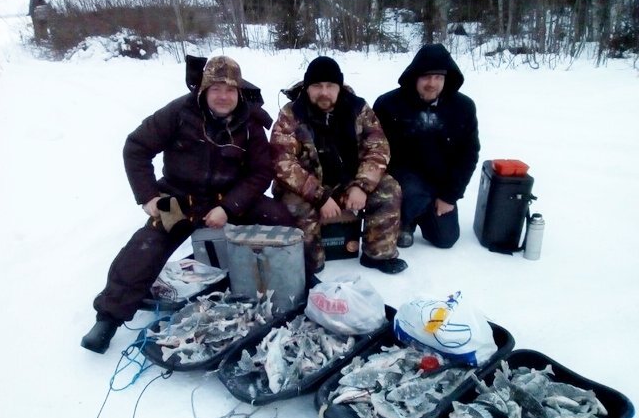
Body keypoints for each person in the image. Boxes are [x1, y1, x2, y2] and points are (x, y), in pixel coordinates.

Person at [81, 55, 295, 354]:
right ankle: (108, 318)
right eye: (216, 88)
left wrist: (229, 207)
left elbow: (260, 172)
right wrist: (149, 197)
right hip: (181, 200)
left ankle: (298, 279)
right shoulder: (178, 113)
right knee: (146, 247)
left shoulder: (251, 123)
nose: (223, 96)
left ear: (239, 91)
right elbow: (136, 148)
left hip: (227, 199)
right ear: (203, 90)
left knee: (279, 217)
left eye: (230, 89)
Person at [270, 56, 407, 276]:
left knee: (389, 190)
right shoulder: (291, 114)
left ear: (339, 86)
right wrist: (320, 196)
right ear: (307, 87)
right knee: (294, 207)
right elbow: (282, 162)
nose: (324, 92)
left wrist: (361, 186)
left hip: (348, 183)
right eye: (317, 86)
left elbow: (378, 148)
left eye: (330, 85)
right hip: (305, 189)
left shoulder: (358, 109)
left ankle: (378, 254)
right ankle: (309, 264)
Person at [373, 44, 480, 249]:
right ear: (415, 77)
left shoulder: (463, 108)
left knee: (445, 239)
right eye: (426, 77)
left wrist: (450, 196)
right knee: (413, 190)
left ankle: (423, 212)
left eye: (438, 77)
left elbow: (469, 155)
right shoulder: (389, 104)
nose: (432, 83)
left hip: (440, 182)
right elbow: (373, 150)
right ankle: (406, 220)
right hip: (402, 181)